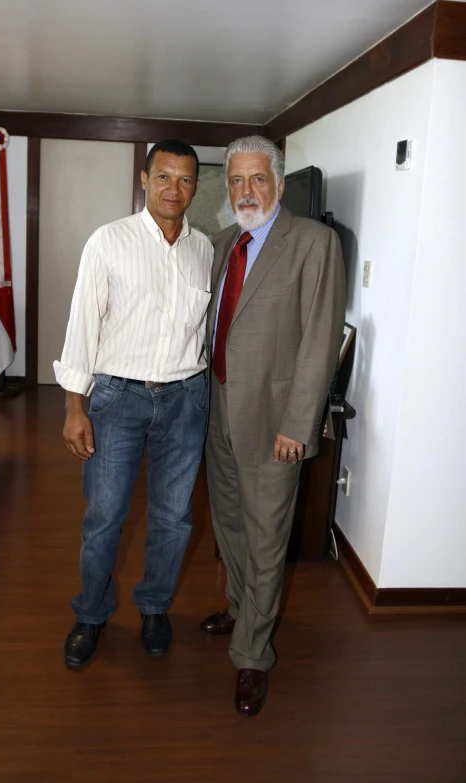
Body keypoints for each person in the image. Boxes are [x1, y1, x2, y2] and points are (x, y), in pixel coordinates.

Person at [201, 136, 345, 715]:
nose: (246, 191)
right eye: (237, 181)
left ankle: (253, 655)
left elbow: (320, 341)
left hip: (273, 423)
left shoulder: (314, 243)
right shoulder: (220, 244)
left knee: (266, 538)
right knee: (230, 523)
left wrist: (298, 424)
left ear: (280, 184)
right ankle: (241, 605)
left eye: (258, 179)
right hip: (217, 409)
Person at [54, 139, 213, 667]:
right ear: (145, 180)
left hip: (185, 398)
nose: (175, 189)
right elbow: (82, 326)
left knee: (174, 517)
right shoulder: (109, 242)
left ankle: (154, 608)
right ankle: (91, 614)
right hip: (117, 398)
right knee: (104, 517)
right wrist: (75, 406)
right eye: (164, 177)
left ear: (196, 186)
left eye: (186, 179)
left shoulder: (203, 249)